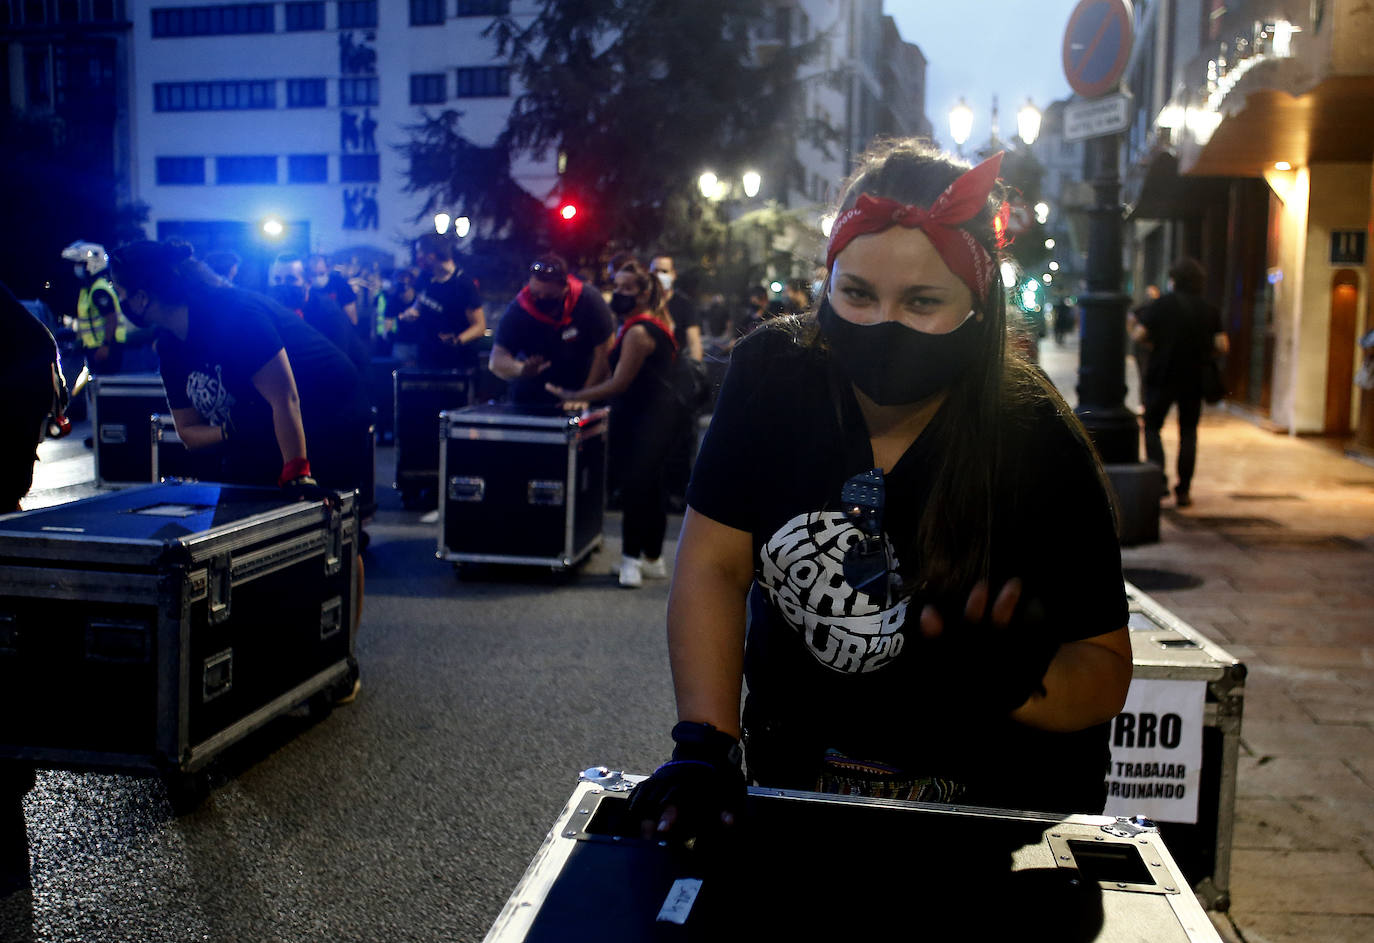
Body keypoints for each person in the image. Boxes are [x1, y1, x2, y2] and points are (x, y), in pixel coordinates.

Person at [626, 142, 1132, 842]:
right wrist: (706, 746)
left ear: (979, 306)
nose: (883, 325)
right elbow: (714, 564)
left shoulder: (1037, 437)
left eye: (923, 301)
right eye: (857, 293)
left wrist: (1017, 686)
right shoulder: (771, 375)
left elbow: (1106, 669)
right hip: (798, 800)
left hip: (992, 822)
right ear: (826, 279)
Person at [109, 240, 368, 699]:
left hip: (327, 411)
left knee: (331, 531)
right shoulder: (170, 344)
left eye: (121, 292)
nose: (121, 301)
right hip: (256, 422)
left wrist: (300, 475)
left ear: (143, 296)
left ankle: (342, 660)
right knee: (247, 533)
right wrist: (236, 432)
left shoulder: (234, 316)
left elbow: (286, 399)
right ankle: (269, 656)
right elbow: (190, 432)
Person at [544, 260, 679, 588]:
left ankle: (631, 560)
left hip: (642, 422)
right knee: (651, 489)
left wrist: (577, 394)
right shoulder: (653, 324)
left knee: (636, 490)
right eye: (616, 287)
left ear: (645, 293)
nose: (618, 293)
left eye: (627, 288)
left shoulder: (637, 331)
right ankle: (652, 558)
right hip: (660, 419)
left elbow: (619, 383)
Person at [1131, 259, 1228, 508]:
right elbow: (1222, 346)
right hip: (1194, 377)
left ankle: (1159, 480)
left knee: (1152, 426)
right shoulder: (1209, 309)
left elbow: (1139, 335)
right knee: (1189, 432)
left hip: (1162, 374)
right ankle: (1183, 490)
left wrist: (1155, 346)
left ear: (1173, 280)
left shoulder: (1161, 305)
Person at [489, 254, 615, 406]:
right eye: (536, 295)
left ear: (565, 288)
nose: (541, 299)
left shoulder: (588, 300)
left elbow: (605, 351)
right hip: (533, 396)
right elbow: (496, 360)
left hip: (583, 389)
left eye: (549, 296)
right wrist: (521, 369)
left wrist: (584, 396)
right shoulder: (520, 308)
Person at [269, 254, 371, 377]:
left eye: (291, 279)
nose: (283, 285)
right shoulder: (276, 310)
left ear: (308, 282)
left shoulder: (329, 313)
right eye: (278, 280)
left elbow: (336, 365)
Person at [400, 234, 485, 372]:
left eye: (420, 252)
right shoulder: (425, 277)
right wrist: (411, 313)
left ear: (431, 256)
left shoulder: (463, 284)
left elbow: (480, 326)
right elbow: (419, 304)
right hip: (428, 358)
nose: (418, 256)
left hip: (458, 362)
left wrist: (457, 340)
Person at [62, 240, 126, 376]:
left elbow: (111, 319)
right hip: (95, 347)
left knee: (105, 388)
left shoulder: (99, 290)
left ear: (92, 264)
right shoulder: (89, 289)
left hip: (106, 348)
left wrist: (105, 346)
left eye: (81, 263)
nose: (77, 267)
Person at [649, 255, 703, 362]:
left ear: (673, 274)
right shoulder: (642, 302)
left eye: (664, 271)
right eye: (655, 271)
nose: (659, 275)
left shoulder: (685, 305)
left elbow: (694, 344)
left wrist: (695, 369)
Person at [308, 253, 359, 326]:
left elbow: (351, 314)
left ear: (327, 269)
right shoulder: (307, 289)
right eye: (313, 275)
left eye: (321, 274)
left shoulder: (340, 283)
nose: (316, 278)